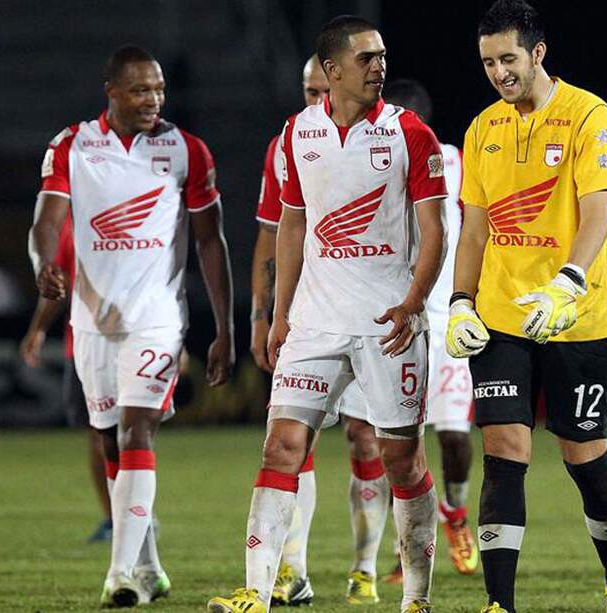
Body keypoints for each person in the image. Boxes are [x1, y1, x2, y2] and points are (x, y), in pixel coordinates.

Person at [208, 15, 445, 613]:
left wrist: (413, 304)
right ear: (333, 70)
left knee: (400, 457)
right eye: (367, 57)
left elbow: (434, 231)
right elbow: (291, 226)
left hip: (387, 324)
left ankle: (415, 597)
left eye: (383, 55)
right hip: (315, 321)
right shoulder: (296, 134)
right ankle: (257, 593)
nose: (380, 66)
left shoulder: (409, 133)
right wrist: (279, 313)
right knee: (281, 447)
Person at [446, 1, 607, 611]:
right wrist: (459, 302)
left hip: (575, 315)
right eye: (487, 62)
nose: (499, 72)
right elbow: (473, 231)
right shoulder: (483, 129)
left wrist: (567, 284)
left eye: (508, 59)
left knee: (584, 456)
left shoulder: (588, 115)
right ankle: (498, 603)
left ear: (538, 53)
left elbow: (600, 210)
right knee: (504, 450)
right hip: (503, 317)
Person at [29, 45, 235, 607]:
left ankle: (119, 574)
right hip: (93, 323)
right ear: (113, 92)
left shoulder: (186, 150)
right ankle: (148, 567)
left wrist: (223, 327)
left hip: (157, 319)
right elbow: (46, 221)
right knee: (107, 441)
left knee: (136, 429)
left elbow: (211, 242)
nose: (155, 100)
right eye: (142, 90)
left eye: (161, 89)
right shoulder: (72, 145)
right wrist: (43, 266)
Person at [251, 54, 390, 606]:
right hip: (310, 317)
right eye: (306, 91)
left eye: (319, 90)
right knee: (291, 440)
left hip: (369, 316)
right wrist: (265, 314)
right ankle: (293, 570)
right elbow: (273, 231)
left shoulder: (389, 136)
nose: (313, 101)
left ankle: (365, 566)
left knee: (365, 437)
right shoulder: (289, 142)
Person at [382, 78, 479, 579]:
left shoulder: (455, 161)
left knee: (455, 436)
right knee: (400, 441)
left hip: (443, 320)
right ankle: (410, 548)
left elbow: (478, 230)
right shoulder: (371, 164)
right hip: (395, 319)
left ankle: (456, 515)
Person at [19, 213, 113, 543]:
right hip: (84, 342)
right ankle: (114, 517)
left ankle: (134, 513)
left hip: (132, 337)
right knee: (98, 433)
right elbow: (56, 281)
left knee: (133, 430)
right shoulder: (72, 223)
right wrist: (38, 329)